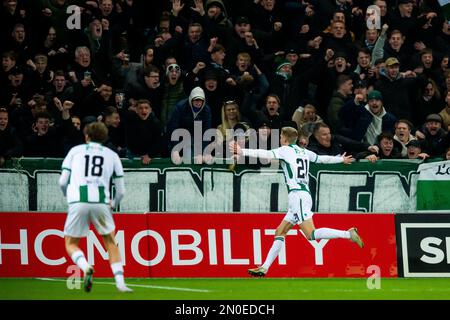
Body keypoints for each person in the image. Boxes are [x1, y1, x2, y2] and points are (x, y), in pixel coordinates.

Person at [229, 126, 363, 277]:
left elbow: (265, 153)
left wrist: (242, 151)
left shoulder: (285, 150)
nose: (280, 139)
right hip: (302, 195)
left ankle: (347, 234)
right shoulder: (305, 152)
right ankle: (264, 267)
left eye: (280, 136)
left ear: (285, 138)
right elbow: (321, 159)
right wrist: (340, 159)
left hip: (297, 196)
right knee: (280, 231)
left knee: (311, 234)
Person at [58, 121, 132, 293]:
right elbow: (121, 190)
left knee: (70, 243)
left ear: (86, 136)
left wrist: (67, 196)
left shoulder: (75, 151)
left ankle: (85, 267)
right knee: (111, 242)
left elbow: (62, 181)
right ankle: (120, 283)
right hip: (101, 202)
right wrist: (113, 203)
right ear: (105, 137)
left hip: (78, 201)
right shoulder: (112, 155)